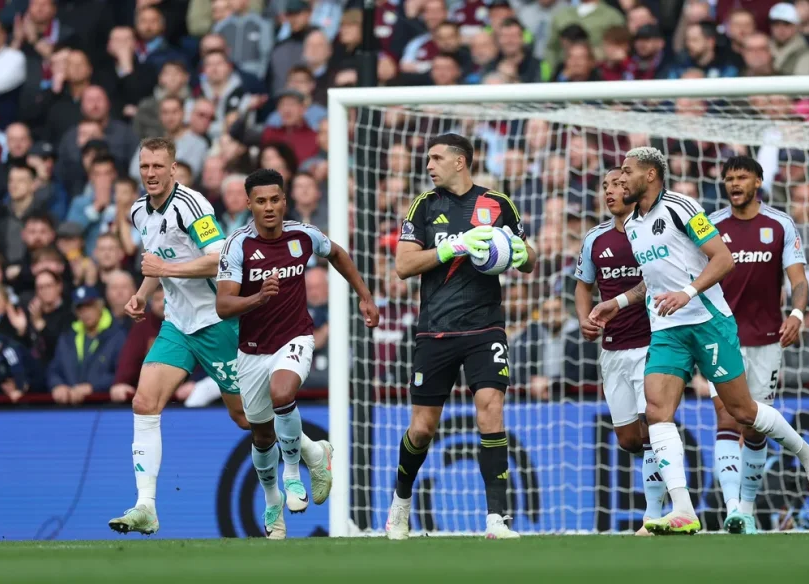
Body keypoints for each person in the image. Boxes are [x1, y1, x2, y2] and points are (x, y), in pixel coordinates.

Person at [589, 147, 809, 535]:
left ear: (650, 175)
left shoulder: (682, 207)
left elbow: (722, 259)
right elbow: (652, 282)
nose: (621, 179)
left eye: (627, 172)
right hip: (668, 327)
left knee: (744, 412)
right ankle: (683, 509)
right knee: (656, 412)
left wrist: (687, 292)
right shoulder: (634, 223)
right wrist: (615, 302)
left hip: (708, 321)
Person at [108, 138, 330, 536]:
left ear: (174, 168)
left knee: (249, 419)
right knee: (144, 401)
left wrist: (167, 270)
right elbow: (157, 262)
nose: (151, 174)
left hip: (219, 322)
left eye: (159, 166)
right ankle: (146, 506)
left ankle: (314, 451)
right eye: (145, 167)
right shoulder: (139, 212)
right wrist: (142, 295)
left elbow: (218, 256)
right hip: (178, 324)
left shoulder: (192, 207)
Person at [387, 133, 536, 540]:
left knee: (490, 408)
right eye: (428, 157)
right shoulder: (424, 205)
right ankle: (400, 502)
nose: (429, 165)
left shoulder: (497, 203)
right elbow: (403, 265)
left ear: (460, 161)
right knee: (422, 429)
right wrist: (454, 247)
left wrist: (524, 255)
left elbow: (527, 254)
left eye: (436, 158)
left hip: (485, 326)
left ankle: (496, 519)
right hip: (434, 330)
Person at [215, 168, 378, 539]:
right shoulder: (237, 245)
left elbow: (337, 253)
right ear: (249, 204)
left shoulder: (303, 235)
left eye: (275, 199)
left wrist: (364, 297)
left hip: (296, 338)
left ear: (284, 201)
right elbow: (223, 305)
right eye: (261, 201)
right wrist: (258, 296)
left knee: (283, 394)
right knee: (260, 434)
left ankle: (292, 476)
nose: (269, 207)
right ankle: (275, 500)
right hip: (252, 350)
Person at [706, 156, 809, 534]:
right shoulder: (711, 225)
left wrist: (796, 314)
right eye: (729, 178)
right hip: (721, 336)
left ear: (758, 182)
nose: (734, 184)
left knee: (754, 427)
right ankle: (733, 509)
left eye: (742, 178)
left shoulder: (780, 224)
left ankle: (747, 508)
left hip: (767, 339)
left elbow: (797, 278)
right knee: (726, 417)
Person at [574, 168, 666, 536]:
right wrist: (584, 319)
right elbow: (583, 285)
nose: (610, 192)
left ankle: (654, 515)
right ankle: (667, 482)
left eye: (618, 185)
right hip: (612, 349)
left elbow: (660, 276)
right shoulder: (594, 238)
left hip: (652, 341)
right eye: (606, 186)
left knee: (652, 426)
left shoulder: (651, 230)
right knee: (630, 439)